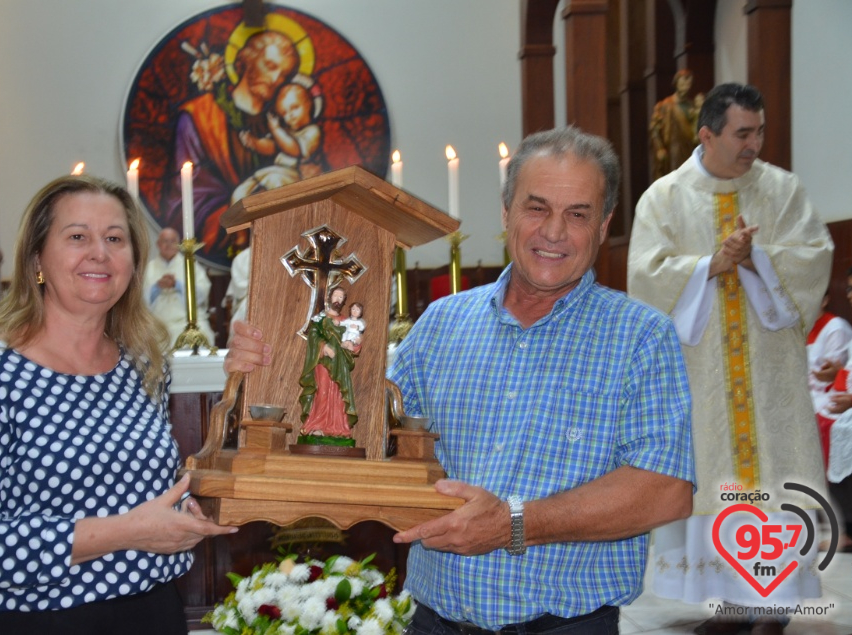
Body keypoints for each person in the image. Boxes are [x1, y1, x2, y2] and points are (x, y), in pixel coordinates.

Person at [227, 126, 696, 634]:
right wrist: (264, 369)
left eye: (577, 214)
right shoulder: (441, 324)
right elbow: (352, 431)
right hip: (436, 622)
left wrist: (514, 524)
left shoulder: (641, 337)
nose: (554, 232)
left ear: (604, 225)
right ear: (506, 212)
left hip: (566, 625)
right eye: (536, 208)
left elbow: (665, 492)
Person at [0, 175, 236, 634]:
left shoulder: (141, 366)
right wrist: (127, 531)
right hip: (33, 621)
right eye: (77, 237)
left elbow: (134, 484)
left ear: (133, 261)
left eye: (115, 238)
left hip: (151, 612)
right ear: (37, 260)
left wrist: (188, 509)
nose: (100, 253)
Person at [628, 83, 833, 634]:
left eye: (759, 131)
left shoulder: (783, 192)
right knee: (713, 482)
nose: (754, 144)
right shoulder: (665, 198)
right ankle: (730, 603)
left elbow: (814, 258)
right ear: (708, 134)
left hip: (769, 380)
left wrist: (757, 259)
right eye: (743, 133)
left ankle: (775, 603)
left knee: (774, 480)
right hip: (704, 376)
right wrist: (711, 264)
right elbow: (645, 275)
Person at [166, 30, 300, 262]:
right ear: (245, 59)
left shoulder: (282, 126)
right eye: (270, 65)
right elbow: (186, 201)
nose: (276, 78)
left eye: (284, 75)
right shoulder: (199, 116)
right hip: (223, 238)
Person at [813, 263, 852, 560]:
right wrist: (837, 376)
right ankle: (851, 529)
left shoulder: (837, 327)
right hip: (848, 402)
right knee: (832, 425)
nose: (851, 296)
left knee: (837, 429)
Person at [232, 79, 323, 204]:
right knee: (242, 191)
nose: (290, 115)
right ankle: (237, 218)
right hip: (275, 172)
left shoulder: (312, 131)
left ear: (308, 104)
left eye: (294, 107)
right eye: (284, 113)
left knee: (275, 181)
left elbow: (294, 150)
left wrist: (276, 129)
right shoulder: (285, 133)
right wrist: (255, 143)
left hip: (296, 177)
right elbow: (271, 147)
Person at [298, 287, 359, 440]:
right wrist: (323, 347)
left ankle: (338, 428)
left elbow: (354, 339)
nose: (338, 299)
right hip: (324, 362)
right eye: (336, 295)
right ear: (330, 298)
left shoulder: (347, 321)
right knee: (323, 391)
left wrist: (353, 344)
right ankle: (317, 425)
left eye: (341, 297)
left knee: (339, 394)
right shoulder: (320, 319)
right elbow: (313, 335)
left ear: (344, 301)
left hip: (341, 363)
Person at [142, 227, 216, 349]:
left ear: (179, 244)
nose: (169, 245)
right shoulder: (148, 268)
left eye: (172, 241)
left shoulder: (191, 264)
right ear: (158, 244)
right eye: (165, 241)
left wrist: (177, 285)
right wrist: (157, 287)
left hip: (186, 321)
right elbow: (139, 298)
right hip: (158, 322)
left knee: (202, 333)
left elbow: (201, 294)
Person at [650, 69, 703, 181]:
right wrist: (659, 148)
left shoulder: (692, 106)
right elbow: (655, 129)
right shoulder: (665, 105)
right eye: (683, 82)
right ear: (676, 83)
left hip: (690, 152)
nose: (686, 86)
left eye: (688, 83)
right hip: (672, 152)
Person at [808, 290, 852, 413]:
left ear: (825, 301)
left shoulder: (835, 328)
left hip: (825, 394)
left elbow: (829, 375)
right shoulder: (800, 329)